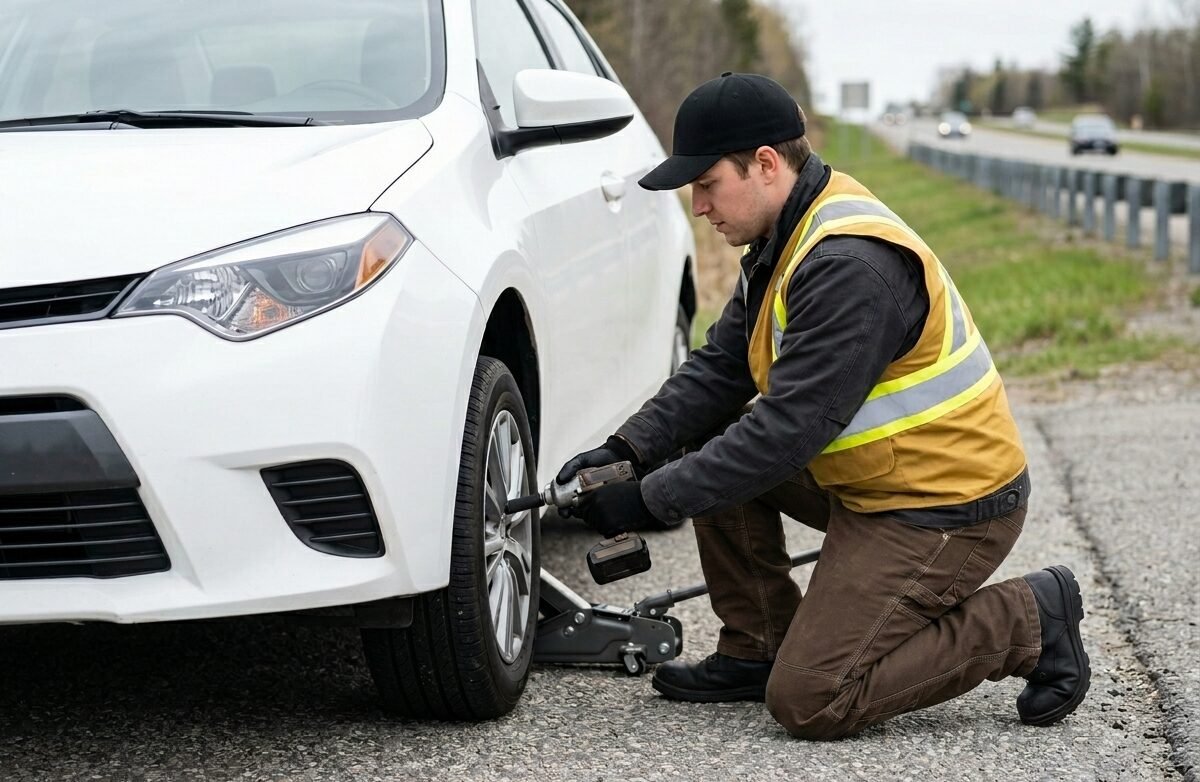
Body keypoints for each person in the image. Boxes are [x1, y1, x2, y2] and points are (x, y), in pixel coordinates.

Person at [557, 72, 1090, 740]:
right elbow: (722, 368)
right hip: (882, 481)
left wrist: (647, 500)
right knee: (708, 438)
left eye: (707, 183)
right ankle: (758, 645)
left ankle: (1028, 619)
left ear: (767, 165)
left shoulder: (848, 265)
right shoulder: (786, 235)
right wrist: (627, 451)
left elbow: (785, 435)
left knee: (814, 698)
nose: (698, 205)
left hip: (946, 505)